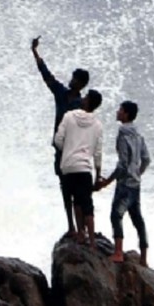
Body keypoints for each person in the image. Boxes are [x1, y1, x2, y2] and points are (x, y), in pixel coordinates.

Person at [31, 36, 90, 237]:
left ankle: (80, 228)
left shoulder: (82, 105)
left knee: (76, 191)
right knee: (64, 187)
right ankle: (71, 226)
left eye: (74, 78)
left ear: (81, 83)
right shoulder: (62, 94)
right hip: (60, 148)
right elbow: (46, 75)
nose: (70, 80)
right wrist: (35, 52)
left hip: (74, 150)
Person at [95, 101, 151, 266]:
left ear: (126, 114)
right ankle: (144, 258)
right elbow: (147, 159)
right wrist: (138, 173)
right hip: (136, 183)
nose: (117, 112)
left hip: (125, 184)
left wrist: (107, 181)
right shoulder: (138, 134)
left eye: (120, 110)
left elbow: (122, 164)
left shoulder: (123, 133)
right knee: (138, 219)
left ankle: (118, 253)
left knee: (116, 215)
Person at [54, 90, 103, 249]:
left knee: (75, 201)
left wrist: (67, 149)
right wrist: (98, 175)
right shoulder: (97, 124)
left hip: (68, 166)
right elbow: (97, 152)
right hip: (84, 168)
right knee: (87, 204)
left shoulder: (69, 116)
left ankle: (80, 234)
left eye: (85, 97)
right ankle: (92, 242)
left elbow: (57, 140)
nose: (82, 98)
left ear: (88, 102)